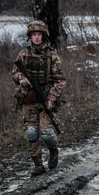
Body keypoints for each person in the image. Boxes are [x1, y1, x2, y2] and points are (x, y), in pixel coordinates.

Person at [11, 20, 66, 176]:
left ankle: (53, 151)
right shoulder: (23, 54)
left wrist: (51, 98)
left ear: (44, 36)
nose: (36, 37)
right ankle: (38, 165)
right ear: (30, 37)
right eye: (33, 35)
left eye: (39, 34)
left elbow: (60, 80)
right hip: (28, 99)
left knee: (47, 133)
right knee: (31, 133)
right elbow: (14, 74)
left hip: (46, 99)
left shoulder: (52, 56)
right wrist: (22, 79)